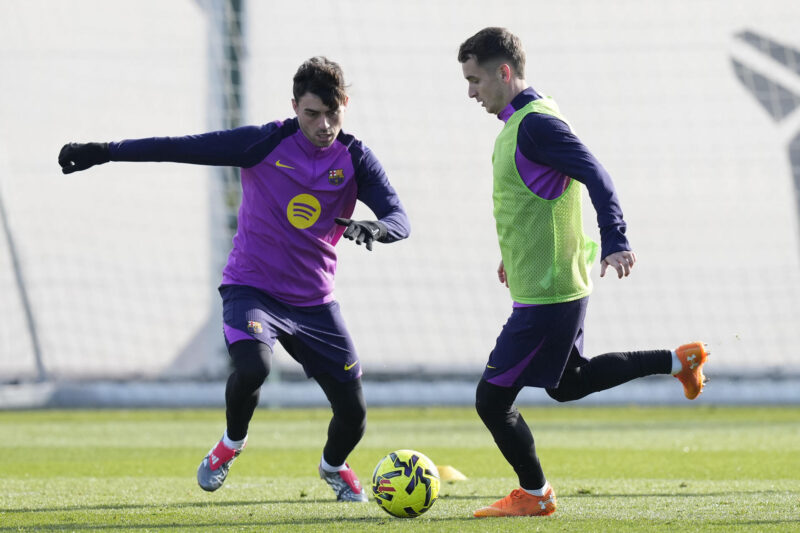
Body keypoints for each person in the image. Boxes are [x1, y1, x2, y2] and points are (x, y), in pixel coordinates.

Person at [58, 56, 410, 502]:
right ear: (294, 107)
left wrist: (378, 228)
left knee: (354, 414)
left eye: (332, 113)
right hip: (252, 288)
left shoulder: (356, 158)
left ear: (345, 104)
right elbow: (183, 146)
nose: (323, 125)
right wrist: (105, 151)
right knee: (253, 367)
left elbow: (399, 217)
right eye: (311, 114)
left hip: (315, 302)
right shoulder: (263, 143)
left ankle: (334, 466)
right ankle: (230, 444)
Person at [457, 27, 709, 518]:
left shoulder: (536, 125)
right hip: (549, 285)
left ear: (503, 73)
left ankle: (535, 494)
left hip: (550, 296)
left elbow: (596, 175)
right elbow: (538, 198)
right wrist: (514, 253)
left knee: (491, 401)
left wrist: (616, 239)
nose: (471, 92)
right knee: (567, 383)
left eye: (475, 80)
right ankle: (680, 361)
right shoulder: (524, 123)